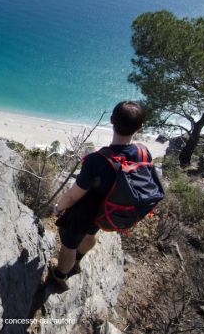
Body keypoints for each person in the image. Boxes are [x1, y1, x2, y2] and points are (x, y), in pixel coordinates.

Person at [50, 100, 148, 290]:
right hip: (110, 209)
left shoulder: (97, 161)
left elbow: (73, 196)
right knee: (91, 233)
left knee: (69, 243)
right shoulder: (142, 153)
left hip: (86, 211)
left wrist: (58, 207)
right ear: (139, 127)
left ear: (111, 120)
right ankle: (78, 259)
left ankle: (60, 275)